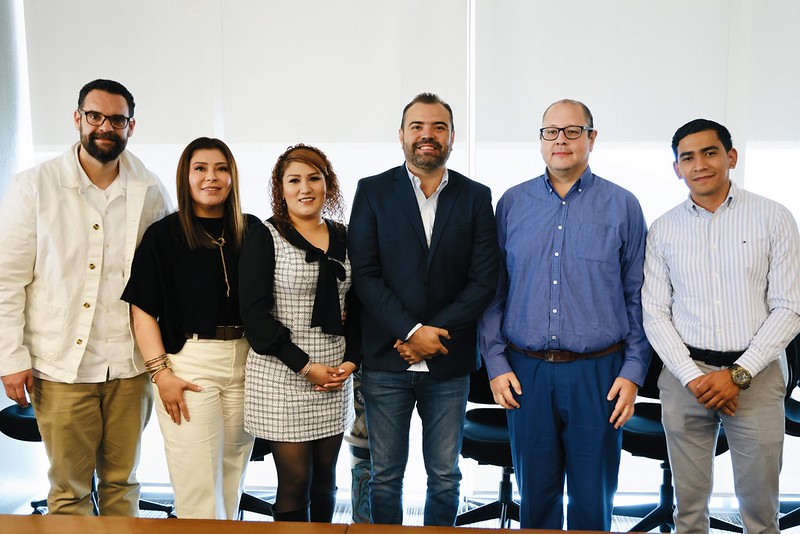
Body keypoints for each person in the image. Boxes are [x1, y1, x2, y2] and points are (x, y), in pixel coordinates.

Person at [0, 79, 171, 515]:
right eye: (95, 116)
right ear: (78, 119)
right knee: (69, 491)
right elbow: (7, 281)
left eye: (117, 119)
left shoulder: (150, 190)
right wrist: (11, 357)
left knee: (122, 484)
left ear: (131, 126)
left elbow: (166, 278)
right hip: (61, 366)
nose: (105, 127)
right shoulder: (34, 187)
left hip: (129, 366)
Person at [479, 99, 649, 530]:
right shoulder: (512, 204)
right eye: (551, 131)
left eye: (573, 131)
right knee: (536, 502)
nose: (561, 140)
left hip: (600, 374)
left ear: (592, 138)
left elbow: (638, 297)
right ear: (540, 140)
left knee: (593, 500)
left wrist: (633, 372)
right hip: (526, 373)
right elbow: (494, 292)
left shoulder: (623, 205)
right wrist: (496, 364)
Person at [642, 118, 800, 534]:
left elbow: (789, 308)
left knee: (761, 512)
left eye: (709, 152)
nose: (699, 165)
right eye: (687, 158)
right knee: (688, 510)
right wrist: (693, 378)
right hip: (685, 377)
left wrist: (738, 374)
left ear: (731, 156)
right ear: (677, 168)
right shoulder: (663, 229)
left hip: (757, 376)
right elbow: (654, 312)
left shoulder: (773, 217)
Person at [348, 92, 498, 526]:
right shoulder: (373, 191)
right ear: (401, 135)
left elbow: (483, 280)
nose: (427, 135)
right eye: (417, 126)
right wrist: (413, 332)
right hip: (386, 360)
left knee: (446, 477)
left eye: (438, 127)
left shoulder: (475, 196)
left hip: (448, 361)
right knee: (384, 477)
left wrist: (432, 337)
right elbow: (366, 275)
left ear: (452, 136)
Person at [122, 137, 256, 519]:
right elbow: (142, 310)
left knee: (231, 482)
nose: (211, 177)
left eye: (221, 168)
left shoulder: (251, 231)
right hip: (190, 363)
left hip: (247, 363)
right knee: (198, 489)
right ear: (186, 176)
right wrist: (160, 373)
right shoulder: (163, 236)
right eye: (201, 168)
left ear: (232, 177)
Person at [240, 144, 359, 523]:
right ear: (281, 189)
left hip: (335, 377)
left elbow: (359, 307)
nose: (305, 188)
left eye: (314, 178)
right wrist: (307, 368)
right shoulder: (265, 235)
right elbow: (255, 318)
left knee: (325, 478)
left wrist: (351, 362)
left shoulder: (346, 235)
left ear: (328, 184)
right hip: (282, 375)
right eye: (294, 180)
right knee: (295, 481)